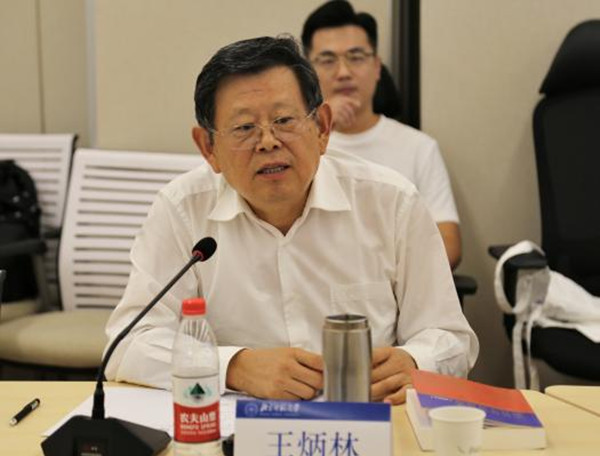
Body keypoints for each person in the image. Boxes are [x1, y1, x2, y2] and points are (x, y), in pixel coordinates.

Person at [104, 35, 478, 405]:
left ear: (322, 128)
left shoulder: (390, 202)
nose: (268, 141)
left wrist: (415, 361)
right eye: (244, 128)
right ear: (208, 148)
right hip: (238, 432)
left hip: (365, 424)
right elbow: (129, 343)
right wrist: (234, 367)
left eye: (284, 120)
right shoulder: (182, 210)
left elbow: (451, 338)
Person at [302, 0, 462, 269]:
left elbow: (448, 245)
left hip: (394, 289)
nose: (343, 72)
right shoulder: (293, 147)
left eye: (356, 57)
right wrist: (317, 128)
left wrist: (377, 277)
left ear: (377, 67)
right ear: (308, 73)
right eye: (328, 60)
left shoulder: (418, 147)